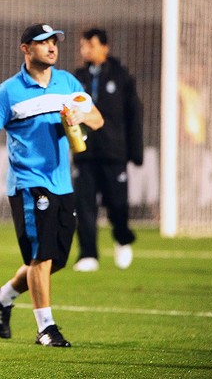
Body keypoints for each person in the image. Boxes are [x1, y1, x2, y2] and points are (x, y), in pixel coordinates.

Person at [0, 23, 104, 347]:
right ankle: (46, 327)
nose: (52, 47)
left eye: (55, 41)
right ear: (26, 49)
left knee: (52, 260)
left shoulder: (67, 82)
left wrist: (80, 117)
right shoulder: (8, 92)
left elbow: (97, 119)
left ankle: (1, 297)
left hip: (62, 184)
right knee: (41, 258)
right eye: (44, 42)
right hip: (29, 185)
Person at [71, 28, 143, 272]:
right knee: (84, 204)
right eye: (83, 46)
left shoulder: (122, 76)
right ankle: (88, 254)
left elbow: (134, 115)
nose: (85, 50)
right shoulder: (76, 78)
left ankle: (122, 239)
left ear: (105, 47)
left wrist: (135, 151)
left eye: (90, 45)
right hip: (85, 153)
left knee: (117, 203)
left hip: (114, 152)